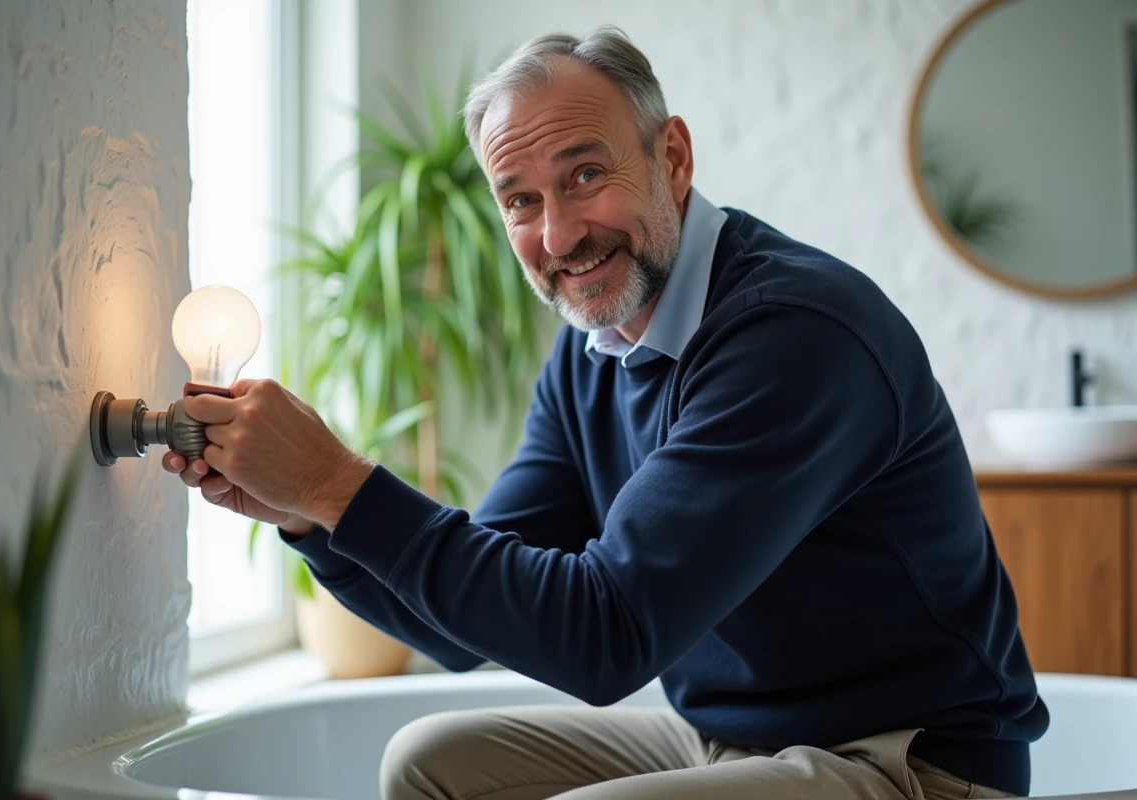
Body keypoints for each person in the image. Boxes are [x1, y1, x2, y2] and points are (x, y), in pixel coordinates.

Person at [165, 26, 1048, 800]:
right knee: (428, 763)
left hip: (912, 763)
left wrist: (336, 480)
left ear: (674, 157)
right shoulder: (594, 353)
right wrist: (311, 515)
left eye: (585, 175)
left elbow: (606, 638)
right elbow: (461, 628)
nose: (558, 236)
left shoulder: (792, 334)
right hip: (730, 741)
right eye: (521, 200)